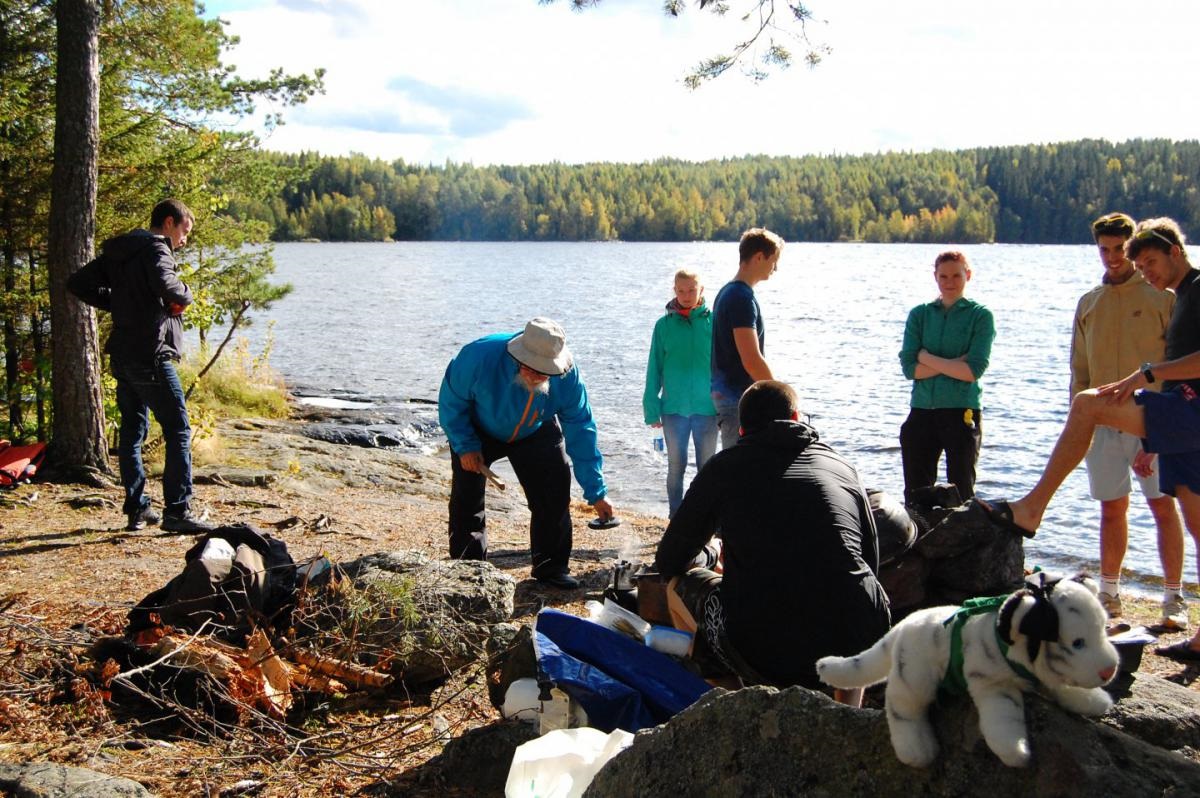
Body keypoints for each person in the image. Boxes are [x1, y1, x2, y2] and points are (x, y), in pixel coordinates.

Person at [988, 218, 1200, 661]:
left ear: (1175, 252)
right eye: (1140, 265)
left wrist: (1149, 374)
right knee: (1196, 524)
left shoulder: (1197, 290)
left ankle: (1032, 508)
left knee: (1087, 405)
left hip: (1187, 411)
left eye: (1151, 262)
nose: (1147, 272)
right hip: (1177, 422)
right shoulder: (1170, 297)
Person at [654, 380, 891, 698]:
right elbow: (869, 561)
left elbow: (669, 560)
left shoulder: (723, 468)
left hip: (766, 653)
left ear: (741, 430)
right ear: (796, 417)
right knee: (850, 601)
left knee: (677, 585)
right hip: (864, 644)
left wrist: (712, 553)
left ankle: (728, 700)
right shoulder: (842, 465)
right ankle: (847, 715)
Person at [67, 199, 214, 533]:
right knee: (178, 428)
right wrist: (186, 294)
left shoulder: (123, 250)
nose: (184, 241)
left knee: (133, 433)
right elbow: (168, 285)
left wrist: (120, 302)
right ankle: (177, 511)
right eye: (184, 231)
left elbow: (78, 283)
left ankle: (138, 510)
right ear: (168, 223)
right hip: (150, 355)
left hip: (123, 354)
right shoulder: (156, 249)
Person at [438, 318, 615, 590]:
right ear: (518, 355)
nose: (538, 376)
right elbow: (452, 401)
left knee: (554, 494)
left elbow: (581, 430)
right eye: (532, 369)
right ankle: (469, 570)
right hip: (477, 428)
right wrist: (465, 446)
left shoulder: (568, 377)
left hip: (536, 427)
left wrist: (597, 491)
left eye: (546, 372)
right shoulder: (478, 356)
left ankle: (551, 569)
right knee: (467, 498)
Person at [1072, 212, 1185, 626]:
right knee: (1110, 509)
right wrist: (1079, 427)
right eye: (1104, 250)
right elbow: (1079, 373)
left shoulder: (1162, 298)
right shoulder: (1089, 303)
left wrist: (1162, 434)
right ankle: (1110, 592)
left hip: (1154, 421)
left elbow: (1177, 366)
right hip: (1103, 427)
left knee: (1162, 506)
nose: (1113, 258)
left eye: (1120, 249)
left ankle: (1174, 598)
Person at [898, 251, 995, 504]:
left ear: (968, 275)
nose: (949, 282)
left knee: (961, 491)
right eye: (943, 276)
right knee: (917, 494)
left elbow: (973, 371)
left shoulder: (980, 316)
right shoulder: (920, 314)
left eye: (956, 275)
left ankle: (963, 541)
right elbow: (910, 369)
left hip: (962, 411)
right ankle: (918, 540)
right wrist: (953, 363)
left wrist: (926, 357)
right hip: (922, 410)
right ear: (935, 277)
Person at [642, 269, 718, 517]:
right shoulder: (663, 326)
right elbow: (654, 368)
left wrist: (728, 403)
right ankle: (676, 518)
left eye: (692, 290)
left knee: (707, 469)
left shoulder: (714, 323)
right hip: (673, 409)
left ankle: (707, 519)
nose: (686, 296)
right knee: (676, 466)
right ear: (675, 291)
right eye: (681, 291)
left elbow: (725, 365)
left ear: (701, 291)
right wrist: (651, 408)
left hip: (708, 409)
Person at [710, 228, 785, 449]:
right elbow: (751, 359)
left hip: (728, 398)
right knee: (739, 472)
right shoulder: (740, 298)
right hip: (738, 402)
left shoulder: (728, 292)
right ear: (759, 257)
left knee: (739, 470)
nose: (775, 268)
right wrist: (781, 397)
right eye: (774, 261)